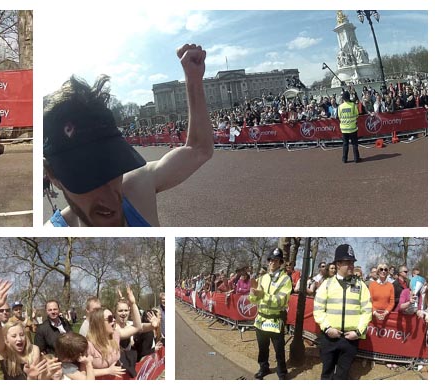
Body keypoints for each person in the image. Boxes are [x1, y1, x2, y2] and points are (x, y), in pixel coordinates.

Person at [44, 44, 212, 227]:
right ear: (53, 176)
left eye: (114, 167)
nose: (111, 199)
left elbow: (198, 150)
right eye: (87, 179)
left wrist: (193, 78)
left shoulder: (136, 187)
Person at [313, 244, 372, 380]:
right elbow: (318, 309)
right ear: (338, 264)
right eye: (348, 262)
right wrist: (327, 328)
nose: (352, 265)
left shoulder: (360, 285)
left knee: (342, 376)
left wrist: (357, 332)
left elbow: (367, 311)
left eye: (352, 262)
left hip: (350, 339)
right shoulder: (327, 284)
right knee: (326, 374)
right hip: (329, 337)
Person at [0, 280, 58, 379]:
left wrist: (34, 376)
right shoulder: (3, 350)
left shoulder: (34, 350)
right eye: (14, 336)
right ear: (6, 339)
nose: (19, 339)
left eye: (22, 335)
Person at [249, 248, 292, 380]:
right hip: (261, 318)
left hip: (275, 319)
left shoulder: (285, 279)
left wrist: (262, 295)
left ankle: (282, 371)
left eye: (276, 260)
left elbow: (281, 300)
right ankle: (264, 367)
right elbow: (254, 300)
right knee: (262, 348)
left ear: (280, 263)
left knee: (279, 349)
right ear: (268, 262)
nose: (273, 263)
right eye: (271, 260)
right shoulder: (262, 278)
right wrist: (253, 294)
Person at [85, 307, 127, 379]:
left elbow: (137, 327)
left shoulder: (116, 335)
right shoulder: (89, 345)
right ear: (99, 323)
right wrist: (107, 371)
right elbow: (84, 372)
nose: (114, 320)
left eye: (113, 317)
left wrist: (133, 304)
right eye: (110, 319)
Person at [338, 91, 361, 163]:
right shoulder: (353, 105)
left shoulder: (340, 107)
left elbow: (339, 116)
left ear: (343, 98)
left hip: (344, 129)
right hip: (352, 128)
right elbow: (357, 115)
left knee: (345, 144)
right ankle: (356, 158)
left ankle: (344, 159)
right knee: (354, 143)